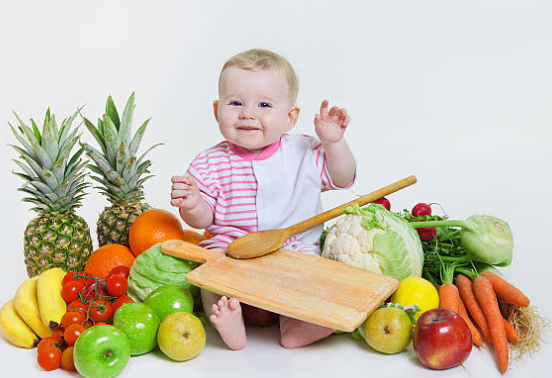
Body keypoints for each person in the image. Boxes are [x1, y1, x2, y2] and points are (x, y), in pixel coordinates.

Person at [170, 48, 356, 350]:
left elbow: (343, 177)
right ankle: (231, 321)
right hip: (232, 250)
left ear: (290, 117)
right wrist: (192, 204)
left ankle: (298, 325)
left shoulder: (304, 152)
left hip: (295, 251)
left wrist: (334, 144)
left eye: (264, 104)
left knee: (311, 284)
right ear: (217, 110)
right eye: (235, 103)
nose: (248, 113)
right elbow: (205, 219)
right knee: (210, 276)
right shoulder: (209, 163)